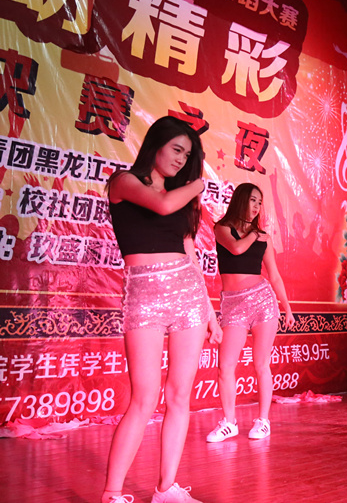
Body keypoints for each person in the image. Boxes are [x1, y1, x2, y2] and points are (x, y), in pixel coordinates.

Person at [102, 116, 223, 503]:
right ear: (156, 143)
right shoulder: (124, 182)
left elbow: (190, 255)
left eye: (187, 155)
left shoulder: (181, 198)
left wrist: (209, 311)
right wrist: (199, 183)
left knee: (179, 397)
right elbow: (162, 203)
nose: (181, 159)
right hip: (145, 296)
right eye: (177, 149)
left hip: (188, 296)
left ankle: (166, 488)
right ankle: (112, 493)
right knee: (143, 399)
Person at [205, 183, 295, 442]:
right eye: (253, 200)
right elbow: (236, 248)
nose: (257, 206)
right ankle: (229, 423)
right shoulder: (223, 228)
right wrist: (255, 234)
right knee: (225, 366)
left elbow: (274, 276)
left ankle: (263, 421)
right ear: (241, 200)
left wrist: (287, 307)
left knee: (261, 364)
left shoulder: (263, 237)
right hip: (233, 304)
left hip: (262, 301)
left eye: (260, 202)